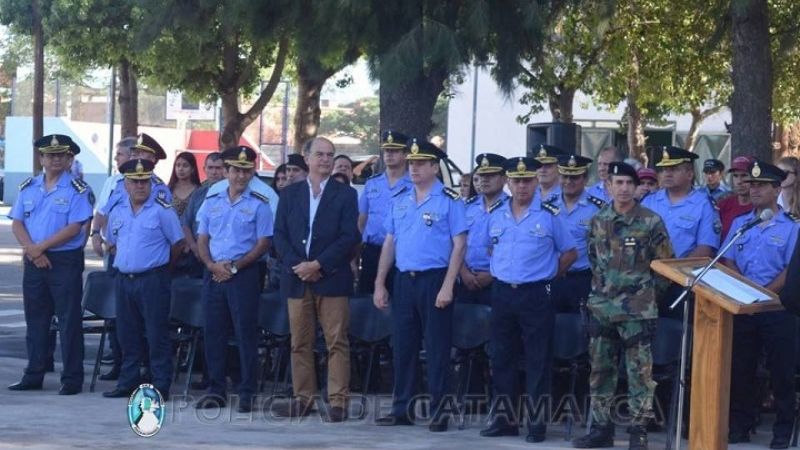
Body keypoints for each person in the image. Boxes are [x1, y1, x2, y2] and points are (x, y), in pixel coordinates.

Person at [573, 162, 673, 450]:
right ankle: (601, 429)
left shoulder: (651, 221)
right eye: (619, 183)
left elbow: (665, 264)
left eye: (630, 183)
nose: (625, 188)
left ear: (636, 186)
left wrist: (648, 295)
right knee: (601, 369)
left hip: (637, 310)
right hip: (602, 308)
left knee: (639, 373)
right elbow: (594, 260)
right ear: (609, 186)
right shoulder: (598, 220)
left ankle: (638, 431)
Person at [479, 156, 577, 443]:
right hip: (502, 292)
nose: (522, 186)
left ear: (536, 181)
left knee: (538, 360)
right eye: (516, 180)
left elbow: (570, 252)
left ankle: (536, 423)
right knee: (502, 357)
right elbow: (488, 248)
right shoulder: (496, 213)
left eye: (527, 180)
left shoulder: (549, 213)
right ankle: (505, 420)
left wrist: (547, 275)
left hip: (536, 294)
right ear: (508, 182)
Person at [373, 138, 467, 432]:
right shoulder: (400, 199)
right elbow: (390, 243)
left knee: (437, 349)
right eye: (411, 163)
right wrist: (379, 283)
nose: (413, 168)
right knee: (403, 347)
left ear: (434, 167)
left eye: (420, 163)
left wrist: (449, 285)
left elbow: (459, 245)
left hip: (435, 278)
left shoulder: (450, 199)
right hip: (404, 279)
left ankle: (440, 411)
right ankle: (402, 408)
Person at [272, 137, 359, 422]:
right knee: (300, 341)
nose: (325, 159)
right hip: (297, 277)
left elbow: (349, 237)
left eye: (330, 155)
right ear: (307, 158)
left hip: (330, 277)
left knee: (336, 341)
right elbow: (280, 236)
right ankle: (303, 399)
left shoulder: (345, 195)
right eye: (319, 154)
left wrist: (319, 264)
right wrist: (299, 265)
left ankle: (338, 402)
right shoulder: (290, 194)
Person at [721, 160, 799, 449]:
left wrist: (762, 292)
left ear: (776, 189)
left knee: (781, 372)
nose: (753, 190)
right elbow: (727, 259)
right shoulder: (742, 224)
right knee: (741, 368)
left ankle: (782, 429)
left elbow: (791, 269)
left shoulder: (792, 227)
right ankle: (741, 424)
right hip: (743, 307)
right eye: (751, 185)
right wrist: (743, 290)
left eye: (761, 185)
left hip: (776, 308)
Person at [8, 134, 94, 395]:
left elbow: (74, 228)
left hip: (64, 261)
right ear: (41, 158)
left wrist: (39, 248)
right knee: (36, 319)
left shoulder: (79, 189)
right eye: (50, 155)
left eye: (61, 155)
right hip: (34, 259)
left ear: (70, 159)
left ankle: (72, 378)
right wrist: (33, 251)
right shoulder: (28, 187)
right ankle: (33, 374)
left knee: (68, 320)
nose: (55, 159)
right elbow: (17, 223)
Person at [194, 146, 273, 413]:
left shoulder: (259, 204)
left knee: (245, 333)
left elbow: (263, 243)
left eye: (246, 171)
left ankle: (247, 390)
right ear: (226, 172)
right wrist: (211, 265)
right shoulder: (211, 201)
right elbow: (202, 238)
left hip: (244, 275)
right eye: (236, 170)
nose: (241, 176)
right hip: (214, 273)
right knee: (213, 332)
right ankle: (216, 389)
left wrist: (236, 267)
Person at [101, 159, 185, 401]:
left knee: (156, 333)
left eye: (144, 181)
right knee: (127, 333)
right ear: (125, 184)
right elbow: (113, 241)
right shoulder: (117, 209)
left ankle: (160, 384)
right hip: (124, 279)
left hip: (152, 280)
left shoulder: (162, 209)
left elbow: (178, 243)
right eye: (135, 181)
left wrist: (161, 267)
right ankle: (127, 382)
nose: (140, 186)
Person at [642, 146, 720, 318]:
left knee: (677, 336)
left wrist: (672, 273)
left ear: (690, 174)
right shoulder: (649, 202)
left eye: (674, 169)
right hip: (647, 282)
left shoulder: (704, 205)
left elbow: (705, 249)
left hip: (681, 284)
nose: (667, 174)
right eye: (664, 169)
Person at [357, 131, 412, 294]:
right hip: (372, 250)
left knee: (399, 299)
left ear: (405, 154)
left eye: (394, 151)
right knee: (368, 298)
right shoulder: (372, 183)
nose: (389, 154)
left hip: (400, 251)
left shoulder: (413, 184)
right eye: (387, 150)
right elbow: (362, 218)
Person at [548, 154, 605, 313]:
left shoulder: (598, 209)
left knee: (581, 328)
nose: (568, 182)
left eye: (575, 177)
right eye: (565, 176)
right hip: (552, 278)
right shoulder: (546, 207)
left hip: (583, 279)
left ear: (585, 179)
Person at [458, 153, 508, 306]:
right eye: (482, 175)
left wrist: (492, 275)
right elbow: (455, 243)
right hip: (465, 280)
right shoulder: (467, 207)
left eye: (491, 175)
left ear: (504, 178)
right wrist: (463, 272)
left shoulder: (511, 208)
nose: (484, 180)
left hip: (497, 282)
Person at [180, 152, 225, 278]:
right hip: (196, 255)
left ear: (225, 170)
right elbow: (185, 223)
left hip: (221, 257)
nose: (214, 172)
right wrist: (194, 247)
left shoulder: (231, 195)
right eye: (210, 168)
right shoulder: (198, 193)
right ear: (204, 169)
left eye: (218, 168)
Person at [717, 156, 754, 240]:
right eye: (735, 176)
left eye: (744, 175)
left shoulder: (760, 207)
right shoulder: (723, 205)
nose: (739, 181)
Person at [168, 152, 201, 217]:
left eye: (185, 166)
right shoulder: (168, 190)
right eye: (178, 165)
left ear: (193, 169)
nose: (180, 169)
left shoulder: (199, 191)